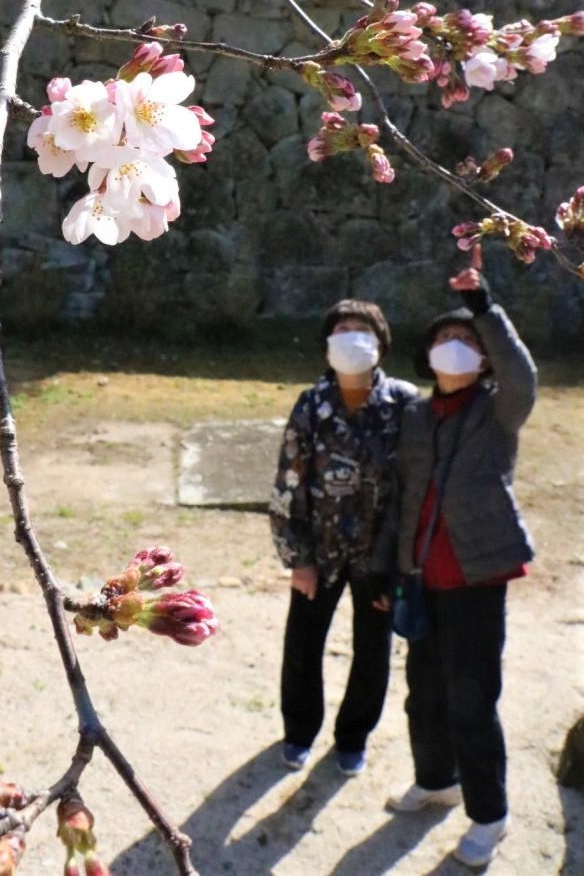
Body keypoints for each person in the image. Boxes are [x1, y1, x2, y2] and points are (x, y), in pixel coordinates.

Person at [381, 246, 536, 870]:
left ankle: (489, 815)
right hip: (423, 578)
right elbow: (404, 497)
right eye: (444, 336)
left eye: (465, 338)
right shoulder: (418, 416)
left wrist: (485, 309)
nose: (454, 345)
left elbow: (522, 376)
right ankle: (436, 778)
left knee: (473, 697)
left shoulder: (499, 412)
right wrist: (391, 571)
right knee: (424, 692)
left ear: (481, 355)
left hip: (477, 575)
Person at [269, 299, 417, 775]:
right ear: (328, 343)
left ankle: (353, 736)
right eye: (342, 328)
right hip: (321, 552)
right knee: (303, 646)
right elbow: (288, 481)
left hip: (380, 558)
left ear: (380, 343)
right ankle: (298, 731)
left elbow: (415, 487)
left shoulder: (405, 404)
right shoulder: (312, 405)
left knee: (373, 652)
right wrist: (299, 558)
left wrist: (402, 562)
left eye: (362, 328)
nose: (352, 335)